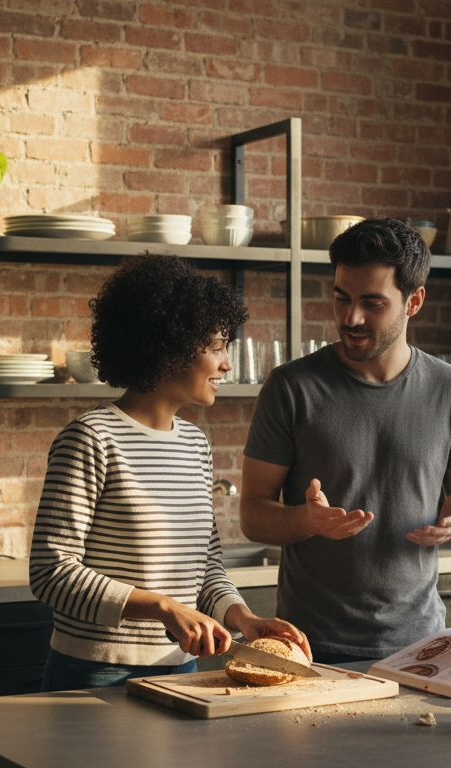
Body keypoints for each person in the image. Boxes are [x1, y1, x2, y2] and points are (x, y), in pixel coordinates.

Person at [29, 254, 311, 692]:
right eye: (216, 347)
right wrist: (163, 608)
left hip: (180, 672)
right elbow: (52, 572)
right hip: (96, 674)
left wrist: (243, 618)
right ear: (169, 346)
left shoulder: (195, 444)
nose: (227, 364)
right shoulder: (91, 438)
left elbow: (206, 567)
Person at [239, 217, 451, 663]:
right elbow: (253, 516)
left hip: (421, 648)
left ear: (414, 301)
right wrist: (306, 520)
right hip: (312, 649)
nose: (350, 318)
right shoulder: (291, 387)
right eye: (342, 299)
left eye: (372, 303)